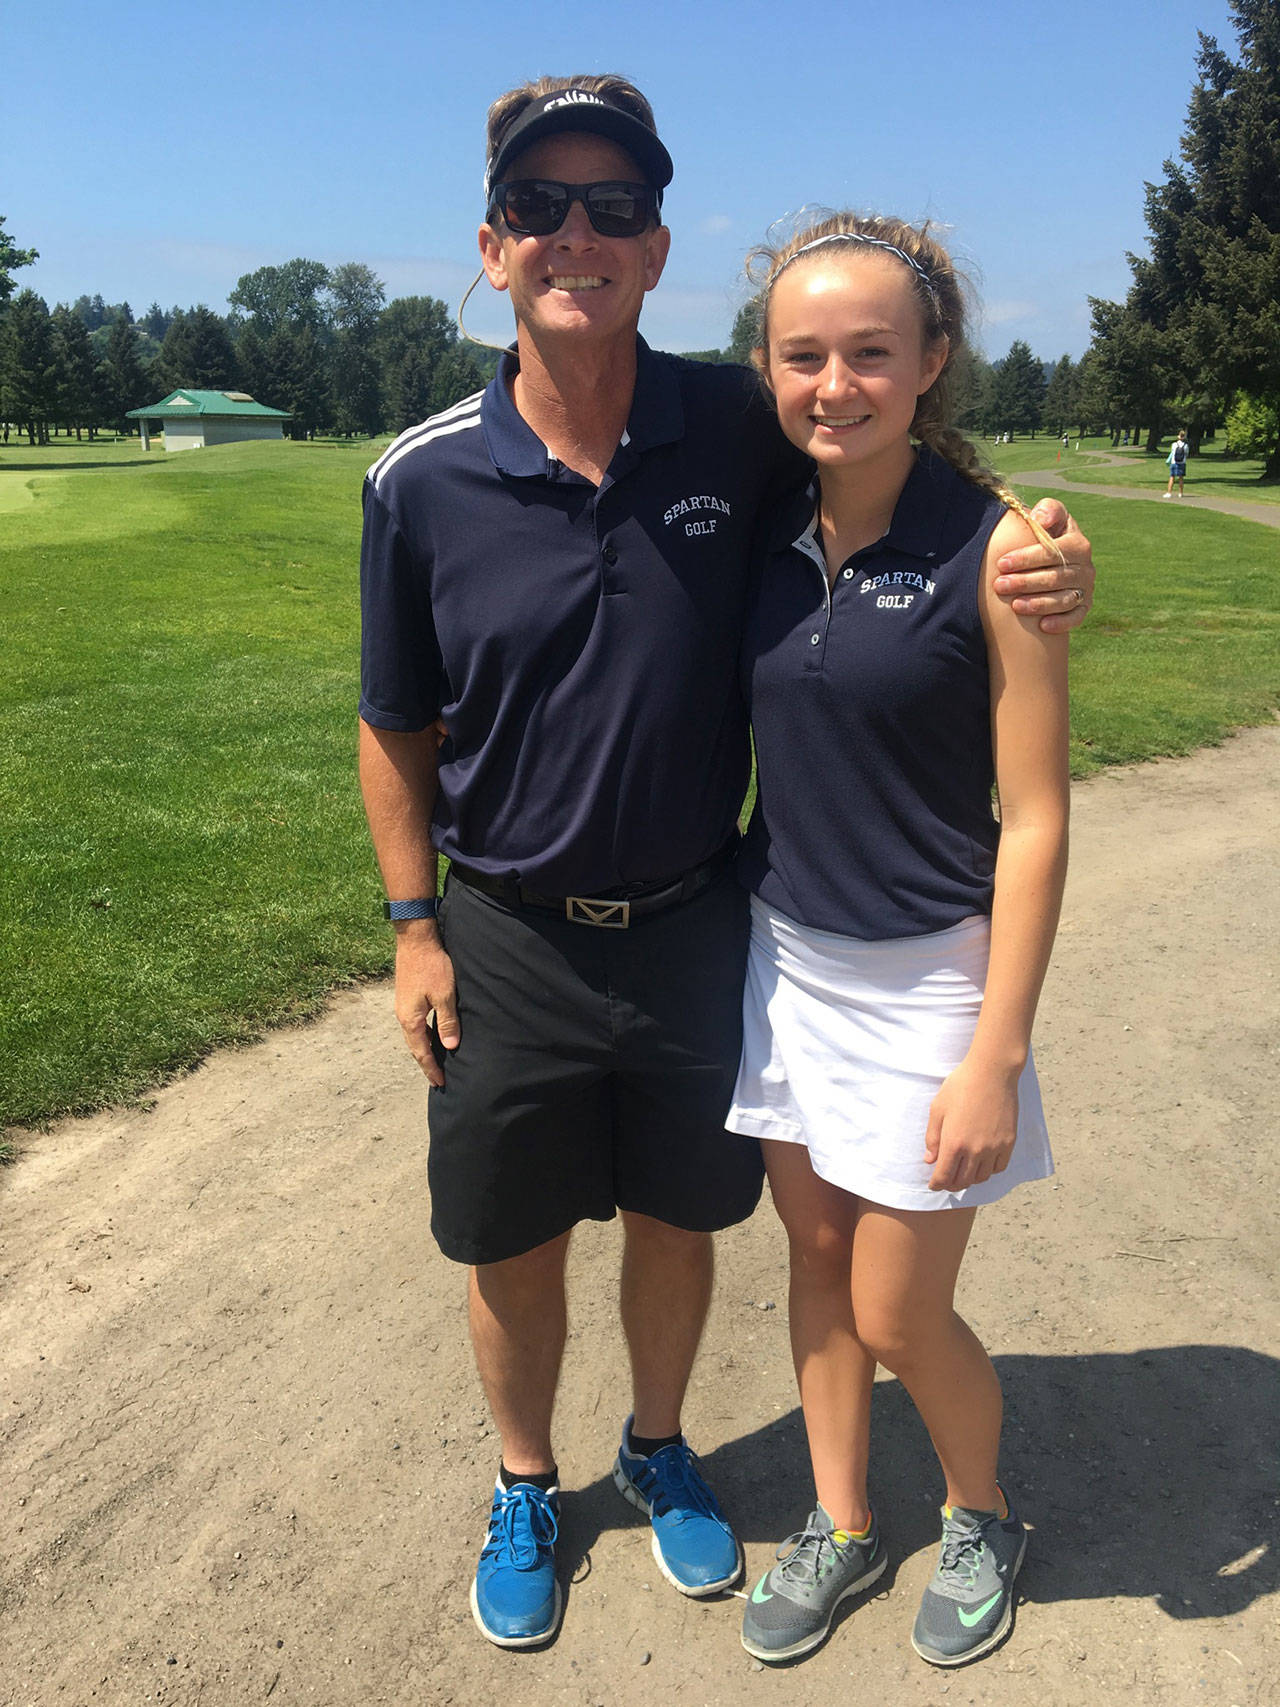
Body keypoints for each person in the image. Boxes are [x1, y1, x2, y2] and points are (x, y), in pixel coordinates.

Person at [357, 76, 1095, 1652]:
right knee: (527, 1230)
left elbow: (918, 501)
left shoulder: (734, 434)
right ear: (492, 248)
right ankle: (537, 1479)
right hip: (522, 929)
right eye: (544, 206)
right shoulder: (420, 479)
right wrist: (412, 924)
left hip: (711, 924)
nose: (580, 232)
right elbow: (393, 718)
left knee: (700, 1220)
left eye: (614, 207)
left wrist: (1041, 556)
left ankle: (680, 1443)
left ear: (657, 245)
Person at [728, 213, 1070, 1670]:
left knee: (892, 1304)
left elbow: (1041, 817)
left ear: (931, 363)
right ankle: (844, 1514)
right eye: (803, 355)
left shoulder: (996, 550)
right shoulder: (759, 523)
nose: (835, 383)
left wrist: (997, 1050)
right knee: (813, 1255)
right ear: (767, 366)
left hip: (935, 977)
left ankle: (984, 1507)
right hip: (787, 961)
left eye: (872, 353)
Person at [1165, 428, 1189, 496]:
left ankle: (1169, 492)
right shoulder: (1186, 446)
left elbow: (1172, 452)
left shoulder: (1174, 444)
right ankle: (1180, 493)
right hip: (1182, 463)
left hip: (1174, 462)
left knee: (1172, 477)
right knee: (1181, 478)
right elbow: (1186, 454)